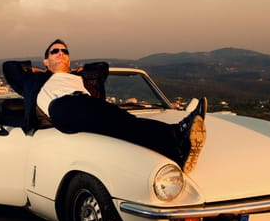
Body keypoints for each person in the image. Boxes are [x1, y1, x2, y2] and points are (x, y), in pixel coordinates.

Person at [31, 39, 207, 173]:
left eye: (65, 51)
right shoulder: (39, 79)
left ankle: (177, 153)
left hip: (84, 107)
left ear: (69, 59)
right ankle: (178, 132)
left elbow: (102, 67)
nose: (61, 53)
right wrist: (40, 71)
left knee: (126, 127)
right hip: (61, 106)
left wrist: (80, 71)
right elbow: (10, 68)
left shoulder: (79, 79)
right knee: (125, 122)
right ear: (45, 61)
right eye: (55, 51)